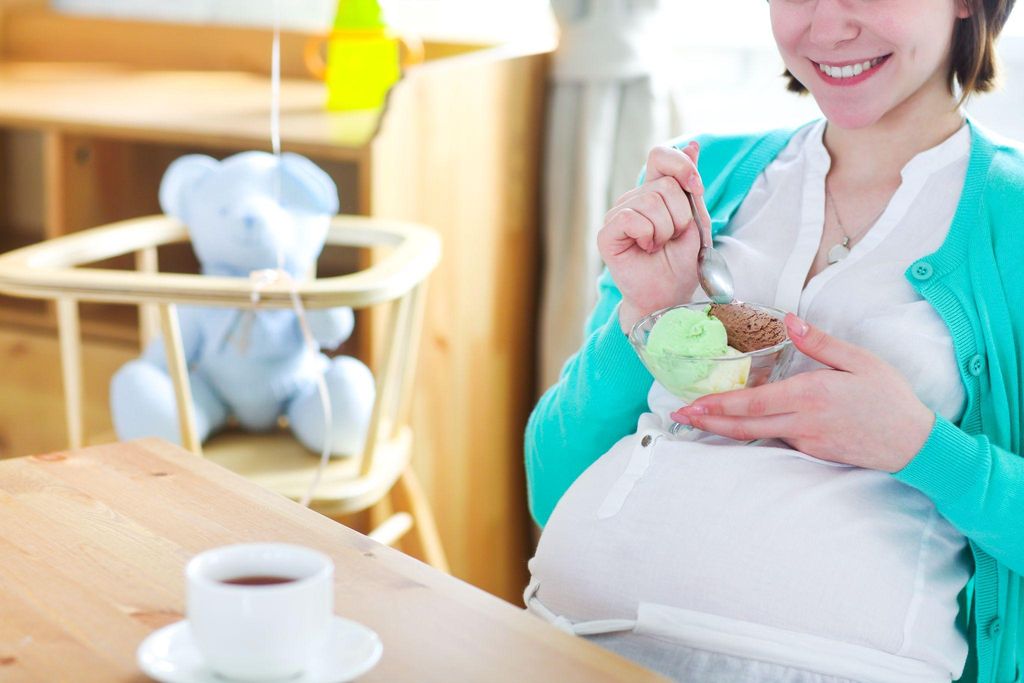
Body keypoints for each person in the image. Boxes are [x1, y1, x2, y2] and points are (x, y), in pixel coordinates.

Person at [523, 1, 1022, 682]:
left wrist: (918, 443)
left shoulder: (1010, 220)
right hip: (571, 646)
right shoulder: (703, 181)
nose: (829, 25)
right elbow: (551, 485)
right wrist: (645, 315)